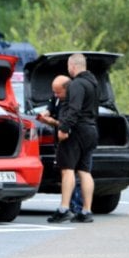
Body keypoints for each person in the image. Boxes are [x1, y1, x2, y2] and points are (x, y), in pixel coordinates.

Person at [47, 53, 100, 223]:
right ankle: (86, 211)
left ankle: (64, 209)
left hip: (76, 131)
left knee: (67, 169)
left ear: (73, 66)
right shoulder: (94, 83)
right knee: (85, 171)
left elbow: (74, 109)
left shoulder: (76, 84)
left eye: (69, 66)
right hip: (91, 129)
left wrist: (64, 128)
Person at [36, 75, 84, 215]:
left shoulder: (72, 102)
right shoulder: (57, 97)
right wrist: (45, 114)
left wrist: (53, 122)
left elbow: (66, 123)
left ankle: (76, 206)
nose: (56, 94)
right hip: (62, 139)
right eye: (54, 92)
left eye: (58, 92)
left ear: (67, 89)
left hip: (72, 138)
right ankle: (71, 205)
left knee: (73, 172)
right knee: (68, 173)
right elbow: (51, 106)